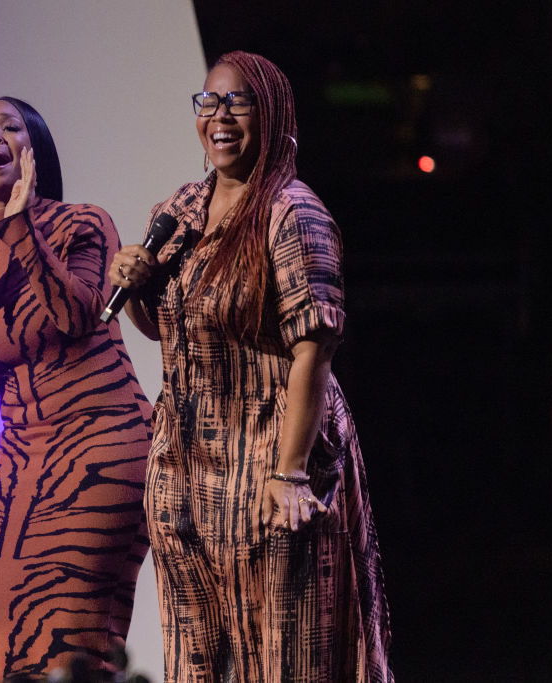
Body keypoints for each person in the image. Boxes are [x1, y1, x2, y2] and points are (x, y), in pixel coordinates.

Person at [110, 52, 393, 681]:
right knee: (195, 661)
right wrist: (136, 290)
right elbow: (174, 333)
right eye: (208, 102)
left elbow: (314, 347)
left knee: (288, 657)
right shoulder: (181, 208)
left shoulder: (292, 212)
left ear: (272, 114)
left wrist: (289, 473)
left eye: (238, 102)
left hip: (268, 468)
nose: (220, 116)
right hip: (186, 477)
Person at [0, 96, 152, 681]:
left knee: (63, 624)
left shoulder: (82, 224)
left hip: (103, 441)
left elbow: (75, 315)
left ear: (33, 148)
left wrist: (19, 225)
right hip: (21, 449)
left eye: (10, 128)